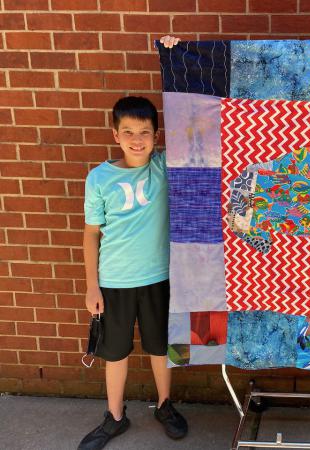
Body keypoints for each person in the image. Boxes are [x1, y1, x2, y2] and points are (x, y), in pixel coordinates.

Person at [79, 36, 184, 450]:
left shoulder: (165, 166)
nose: (137, 139)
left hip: (160, 277)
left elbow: (196, 123)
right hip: (115, 281)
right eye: (128, 132)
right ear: (115, 134)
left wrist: (178, 60)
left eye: (145, 131)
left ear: (157, 135)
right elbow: (91, 234)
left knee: (163, 348)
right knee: (115, 353)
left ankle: (165, 404)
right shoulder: (100, 177)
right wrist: (92, 286)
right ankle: (115, 416)